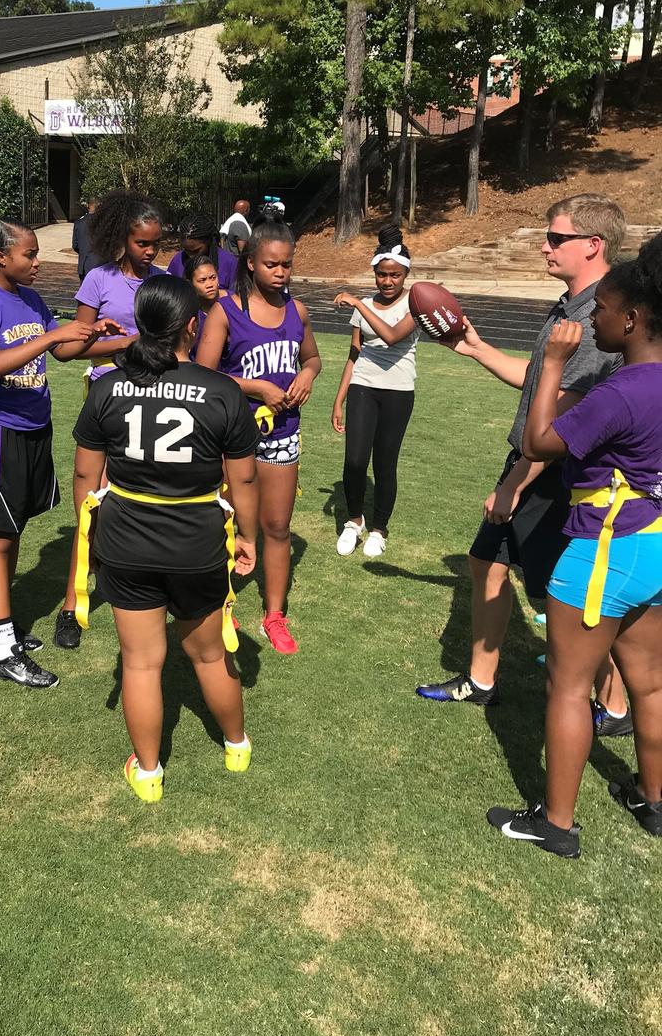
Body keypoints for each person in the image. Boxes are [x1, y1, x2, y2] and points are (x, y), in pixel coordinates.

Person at [416, 194, 631, 730]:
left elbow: (564, 418)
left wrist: (513, 483)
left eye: (556, 238)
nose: (544, 246)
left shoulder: (596, 319)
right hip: (532, 460)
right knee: (486, 561)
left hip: (559, 473)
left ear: (592, 244)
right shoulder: (569, 306)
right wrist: (476, 347)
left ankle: (617, 704)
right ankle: (482, 680)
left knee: (572, 598)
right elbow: (537, 383)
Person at [488, 233, 662, 857]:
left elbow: (537, 442)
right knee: (650, 682)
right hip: (654, 548)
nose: (597, 322)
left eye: (605, 313)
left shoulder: (620, 392)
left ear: (634, 319)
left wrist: (556, 363)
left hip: (604, 550)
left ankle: (555, 823)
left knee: (567, 685)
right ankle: (653, 799)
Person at [72, 275, 261, 802]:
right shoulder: (223, 390)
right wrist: (248, 536)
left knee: (140, 661)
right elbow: (243, 479)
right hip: (197, 543)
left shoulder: (107, 386)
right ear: (191, 326)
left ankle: (149, 773)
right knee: (208, 655)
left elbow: (86, 478)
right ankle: (236, 743)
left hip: (126, 540)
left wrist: (89, 536)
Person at [0, 219, 121, 688]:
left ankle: (0, 626)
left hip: (34, 429)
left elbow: (65, 353)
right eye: (29, 254)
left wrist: (108, 338)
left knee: (15, 530)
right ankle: (4, 649)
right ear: (2, 257)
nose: (37, 262)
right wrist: (51, 338)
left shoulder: (29, 300)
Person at [196, 216, 322, 654]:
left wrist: (306, 374)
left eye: (287, 264)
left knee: (277, 526)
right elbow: (204, 375)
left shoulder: (297, 310)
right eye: (272, 264)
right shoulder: (226, 310)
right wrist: (256, 387)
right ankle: (213, 606)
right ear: (250, 263)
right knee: (224, 522)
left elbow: (313, 358)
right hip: (234, 436)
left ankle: (274, 615)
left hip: (284, 433)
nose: (281, 272)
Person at [52, 193, 165, 651]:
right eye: (142, 243)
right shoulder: (98, 280)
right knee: (91, 505)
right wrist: (127, 345)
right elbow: (74, 347)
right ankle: (71, 605)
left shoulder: (165, 280)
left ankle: (150, 593)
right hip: (106, 397)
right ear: (122, 238)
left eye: (156, 243)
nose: (150, 252)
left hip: (154, 400)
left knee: (149, 501)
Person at [331, 224, 419, 559]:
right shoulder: (364, 306)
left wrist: (356, 302)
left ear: (405, 275)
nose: (387, 281)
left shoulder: (416, 303)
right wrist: (339, 398)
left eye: (394, 275)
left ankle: (379, 529)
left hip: (398, 390)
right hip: (363, 386)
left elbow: (394, 335)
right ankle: (354, 522)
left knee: (385, 463)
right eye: (381, 274)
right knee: (354, 460)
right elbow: (354, 353)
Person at [166, 214, 239, 291]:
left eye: (196, 251)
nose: (191, 256)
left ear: (208, 242)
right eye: (186, 250)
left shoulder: (229, 262)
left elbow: (236, 298)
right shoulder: (178, 260)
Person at [184, 251, 226, 358]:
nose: (209, 284)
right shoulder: (188, 312)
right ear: (190, 283)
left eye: (213, 278)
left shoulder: (233, 303)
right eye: (202, 280)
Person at [71, 197, 102, 280]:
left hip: (84, 266)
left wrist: (84, 251)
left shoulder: (79, 223)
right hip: (102, 265)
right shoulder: (104, 223)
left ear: (88, 205)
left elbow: (75, 245)